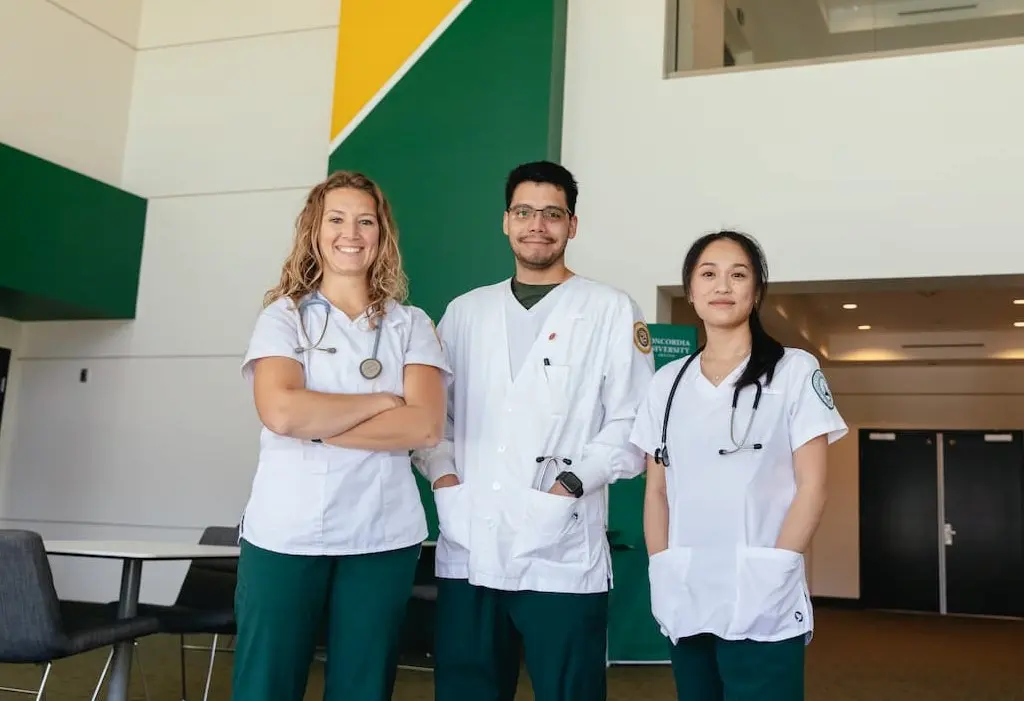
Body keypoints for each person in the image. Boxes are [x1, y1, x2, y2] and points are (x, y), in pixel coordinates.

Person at [411, 160, 655, 701]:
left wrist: (569, 485)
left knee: (569, 691)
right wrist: (444, 479)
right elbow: (432, 418)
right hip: (469, 540)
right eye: (524, 212)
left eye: (551, 213)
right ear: (505, 221)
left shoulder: (610, 309)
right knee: (465, 689)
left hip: (560, 549)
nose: (536, 225)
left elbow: (634, 423)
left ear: (572, 225)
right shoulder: (464, 312)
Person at [231, 170, 451, 701]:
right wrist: (380, 402)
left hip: (382, 533)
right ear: (314, 230)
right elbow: (281, 413)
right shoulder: (283, 318)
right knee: (267, 684)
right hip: (285, 531)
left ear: (381, 234)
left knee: (363, 686)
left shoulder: (412, 324)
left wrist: (320, 424)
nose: (350, 233)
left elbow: (424, 424)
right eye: (336, 219)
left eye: (364, 221)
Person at [629, 230, 848, 701]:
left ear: (757, 291)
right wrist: (661, 568)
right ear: (691, 292)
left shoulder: (793, 369)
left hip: (762, 591)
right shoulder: (667, 382)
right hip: (688, 589)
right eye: (708, 274)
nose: (722, 285)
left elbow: (813, 487)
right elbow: (657, 491)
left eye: (738, 274)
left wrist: (776, 569)